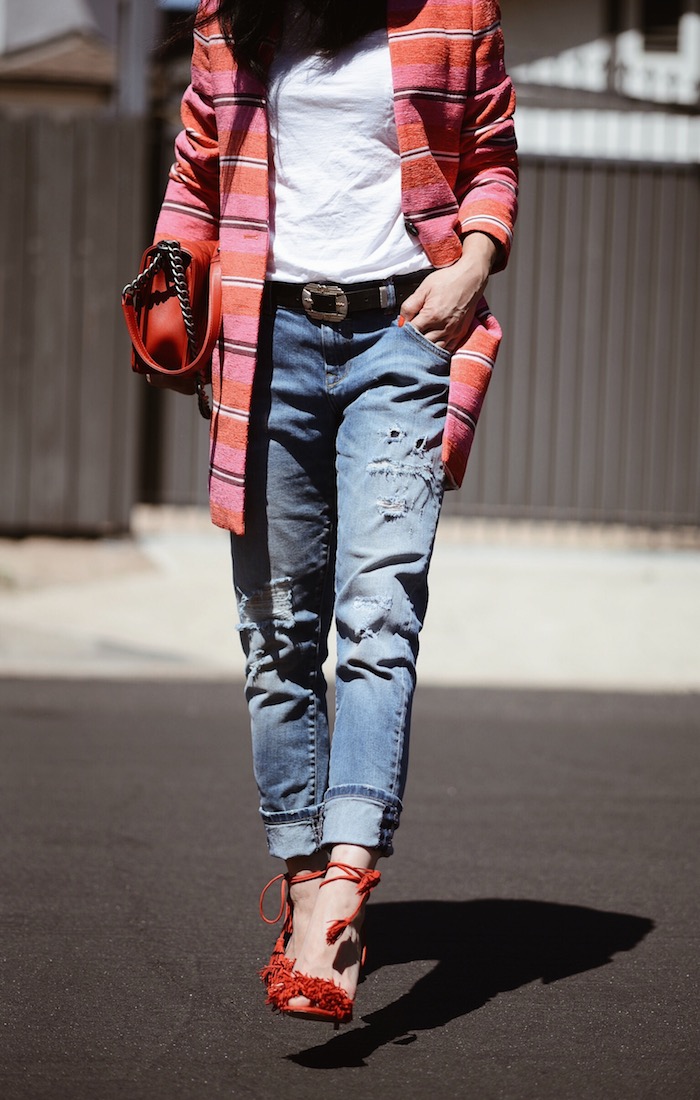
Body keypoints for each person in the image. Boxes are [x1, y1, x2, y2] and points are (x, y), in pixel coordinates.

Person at [153, 0, 518, 1026]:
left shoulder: (454, 11)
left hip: (404, 334)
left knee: (376, 610)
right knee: (276, 633)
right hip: (266, 346)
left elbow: (489, 155)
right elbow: (194, 170)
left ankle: (340, 891)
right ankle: (306, 870)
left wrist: (473, 261)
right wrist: (169, 286)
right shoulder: (236, 19)